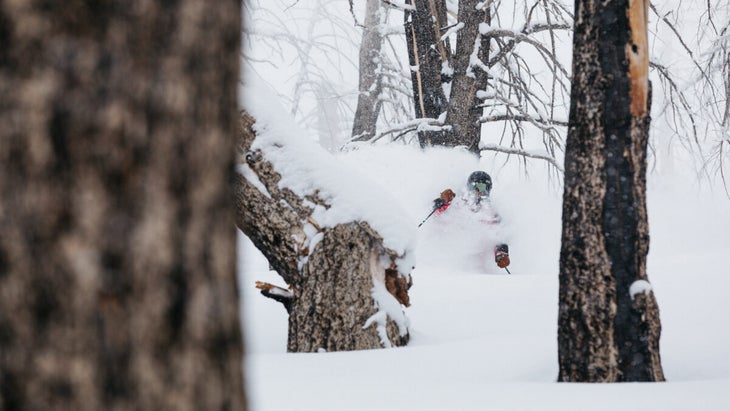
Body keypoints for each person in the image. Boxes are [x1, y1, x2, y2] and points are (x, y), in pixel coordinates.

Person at [431, 171, 511, 270]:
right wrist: (442, 201)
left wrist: (501, 254)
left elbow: (498, 237)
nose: (480, 191)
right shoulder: (457, 202)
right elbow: (434, 214)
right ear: (469, 187)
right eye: (477, 187)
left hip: (474, 266)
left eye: (484, 188)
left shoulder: (491, 214)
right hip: (443, 257)